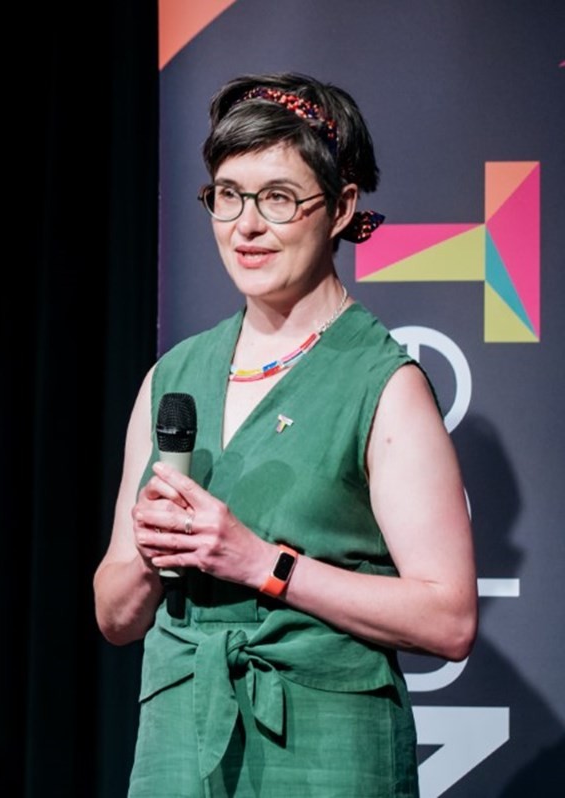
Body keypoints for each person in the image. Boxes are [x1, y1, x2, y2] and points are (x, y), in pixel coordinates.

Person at [94, 72, 477, 796]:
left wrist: (261, 563)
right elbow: (115, 617)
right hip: (183, 741)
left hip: (324, 747)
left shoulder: (382, 384)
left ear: (339, 208)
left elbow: (448, 617)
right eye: (228, 195)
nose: (246, 225)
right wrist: (151, 555)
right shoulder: (172, 377)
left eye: (277, 198)